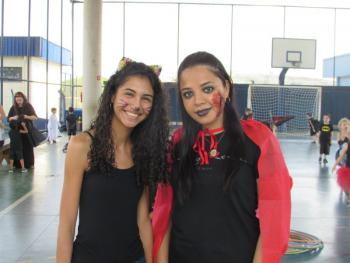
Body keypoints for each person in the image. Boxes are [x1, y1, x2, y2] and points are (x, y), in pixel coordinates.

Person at [152, 52, 292, 263]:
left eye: (208, 89)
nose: (198, 101)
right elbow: (165, 214)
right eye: (187, 94)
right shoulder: (178, 143)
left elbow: (275, 219)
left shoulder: (259, 140)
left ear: (226, 87)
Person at [56, 60, 169, 263]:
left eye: (146, 98)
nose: (136, 104)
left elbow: (142, 220)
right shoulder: (82, 146)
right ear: (112, 95)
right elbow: (67, 223)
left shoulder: (142, 151)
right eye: (129, 93)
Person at [7, 92, 38, 169]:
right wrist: (13, 118)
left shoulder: (28, 106)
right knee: (17, 148)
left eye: (20, 97)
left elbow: (35, 117)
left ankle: (29, 164)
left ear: (23, 98)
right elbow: (8, 119)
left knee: (27, 147)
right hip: (16, 131)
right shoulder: (13, 107)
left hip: (26, 130)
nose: (18, 99)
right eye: (17, 98)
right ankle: (17, 165)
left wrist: (26, 116)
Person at [332, 140, 350, 204]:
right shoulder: (347, 145)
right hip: (348, 169)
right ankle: (348, 196)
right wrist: (335, 165)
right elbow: (341, 156)